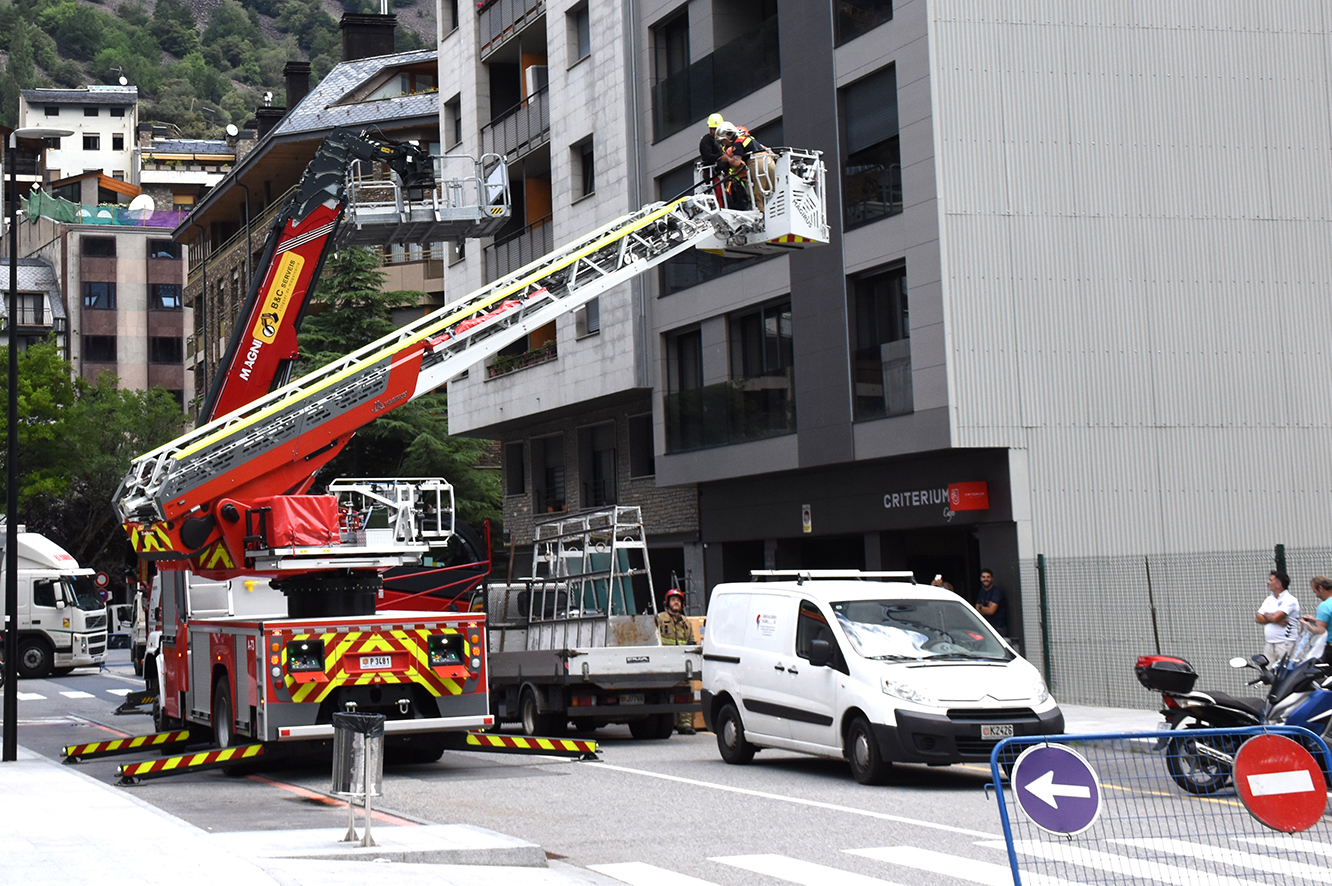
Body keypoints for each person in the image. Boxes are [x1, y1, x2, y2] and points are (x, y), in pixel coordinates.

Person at [656, 587, 697, 734]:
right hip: (664, 663)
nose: (676, 603)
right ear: (667, 602)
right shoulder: (659, 619)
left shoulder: (686, 622)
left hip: (681, 663)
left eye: (678, 600)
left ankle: (684, 725)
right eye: (673, 600)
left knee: (685, 692)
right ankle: (663, 722)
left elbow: (692, 641)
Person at [715, 122, 776, 213]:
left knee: (757, 195)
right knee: (772, 191)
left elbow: (736, 162)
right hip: (769, 162)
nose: (724, 143)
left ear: (728, 136)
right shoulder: (748, 139)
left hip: (757, 164)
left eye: (723, 140)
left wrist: (727, 158)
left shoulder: (737, 143)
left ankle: (762, 216)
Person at [1256, 570, 1300, 662]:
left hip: (1285, 643)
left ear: (1278, 584)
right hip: (1270, 642)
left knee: (1284, 671)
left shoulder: (1290, 600)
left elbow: (1276, 617)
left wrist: (1267, 615)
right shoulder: (1269, 599)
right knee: (1268, 672)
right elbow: (1258, 618)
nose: (1268, 582)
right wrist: (1273, 619)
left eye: (1270, 580)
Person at [1300, 575, 1332, 662]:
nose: (1317, 596)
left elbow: (1320, 630)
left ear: (1321, 588)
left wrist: (1307, 626)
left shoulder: (1324, 606)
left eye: (1315, 592)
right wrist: (1314, 620)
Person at [975, 568, 1008, 637]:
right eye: (983, 577)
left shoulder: (996, 592)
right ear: (980, 579)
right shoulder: (981, 592)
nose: (986, 579)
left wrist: (981, 607)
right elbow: (977, 609)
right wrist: (986, 608)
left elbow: (991, 611)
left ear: (992, 579)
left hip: (998, 628)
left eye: (988, 577)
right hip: (987, 627)